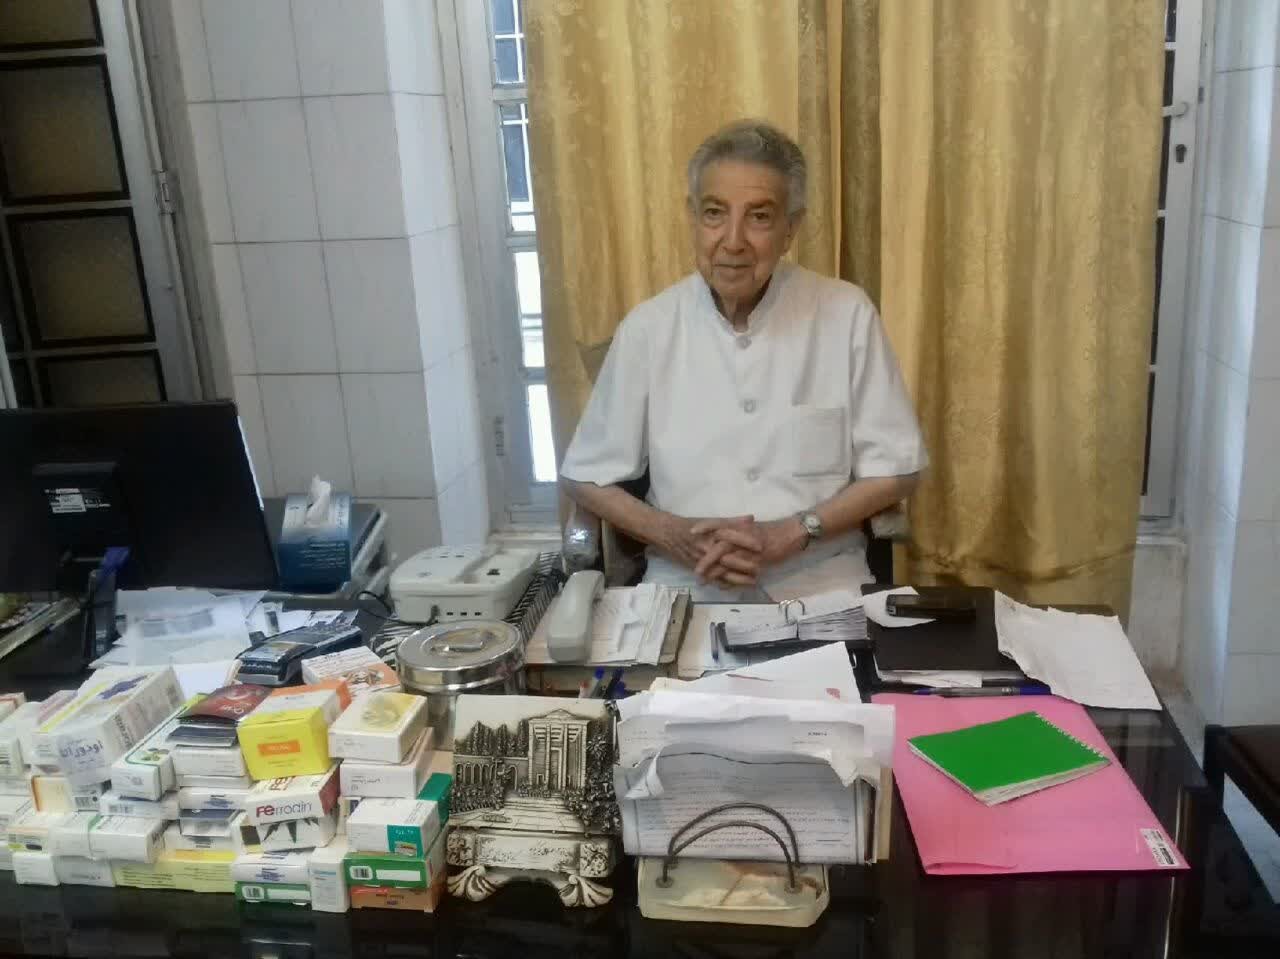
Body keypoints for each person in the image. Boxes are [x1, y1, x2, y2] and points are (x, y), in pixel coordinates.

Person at [560, 119, 927, 600]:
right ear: (693, 218)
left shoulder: (846, 313)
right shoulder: (649, 328)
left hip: (820, 575)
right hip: (684, 580)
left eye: (759, 217)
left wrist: (793, 532)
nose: (732, 241)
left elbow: (897, 467)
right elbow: (586, 476)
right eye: (715, 214)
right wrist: (673, 534)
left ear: (790, 229)